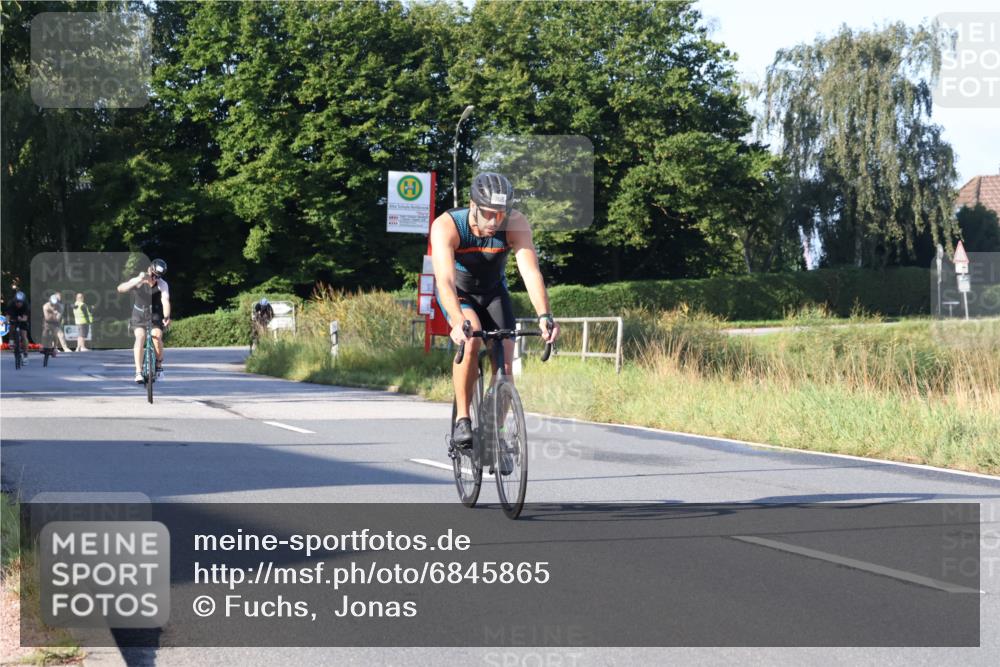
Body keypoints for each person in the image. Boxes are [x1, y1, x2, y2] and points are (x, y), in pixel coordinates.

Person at [431, 172, 560, 447]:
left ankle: (494, 434)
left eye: (500, 214)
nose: (494, 221)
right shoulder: (447, 226)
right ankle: (462, 420)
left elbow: (530, 272)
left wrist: (544, 315)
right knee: (471, 336)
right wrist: (457, 321)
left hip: (493, 293)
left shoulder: (515, 224)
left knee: (504, 362)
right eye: (488, 213)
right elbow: (444, 280)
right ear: (472, 205)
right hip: (459, 294)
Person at [117, 259, 171, 383]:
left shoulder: (162, 284)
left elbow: (165, 300)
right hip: (139, 313)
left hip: (155, 314)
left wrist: (167, 316)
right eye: (153, 274)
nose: (154, 278)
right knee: (140, 337)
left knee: (156, 335)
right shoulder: (140, 280)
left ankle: (159, 366)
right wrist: (138, 280)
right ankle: (138, 371)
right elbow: (120, 289)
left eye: (157, 276)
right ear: (149, 269)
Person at [4, 291, 30, 364]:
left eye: (20, 302)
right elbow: (8, 316)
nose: (18, 303)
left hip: (23, 319)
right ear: (14, 301)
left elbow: (25, 318)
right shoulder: (11, 304)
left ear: (23, 302)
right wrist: (6, 321)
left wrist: (21, 319)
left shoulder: (26, 305)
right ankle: (11, 339)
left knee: (23, 335)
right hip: (14, 317)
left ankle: (25, 355)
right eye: (17, 302)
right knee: (11, 326)